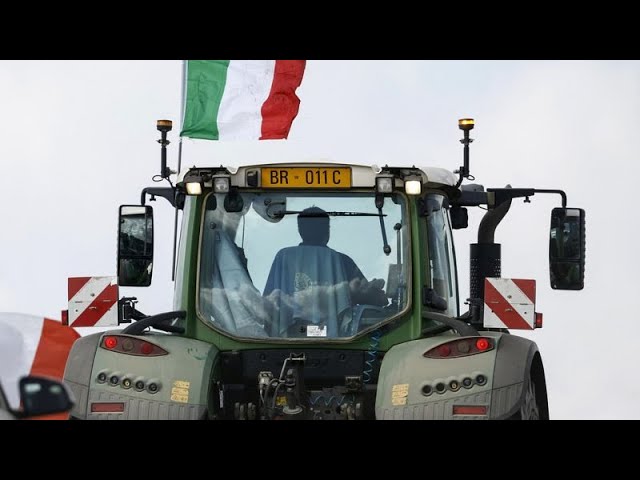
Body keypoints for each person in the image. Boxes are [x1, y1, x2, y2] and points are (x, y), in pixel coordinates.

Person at [263, 207, 387, 337]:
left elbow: (268, 303)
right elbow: (366, 295)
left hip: (288, 333)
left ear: (300, 231)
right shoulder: (342, 260)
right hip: (335, 337)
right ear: (327, 231)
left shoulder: (283, 257)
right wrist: (378, 293)